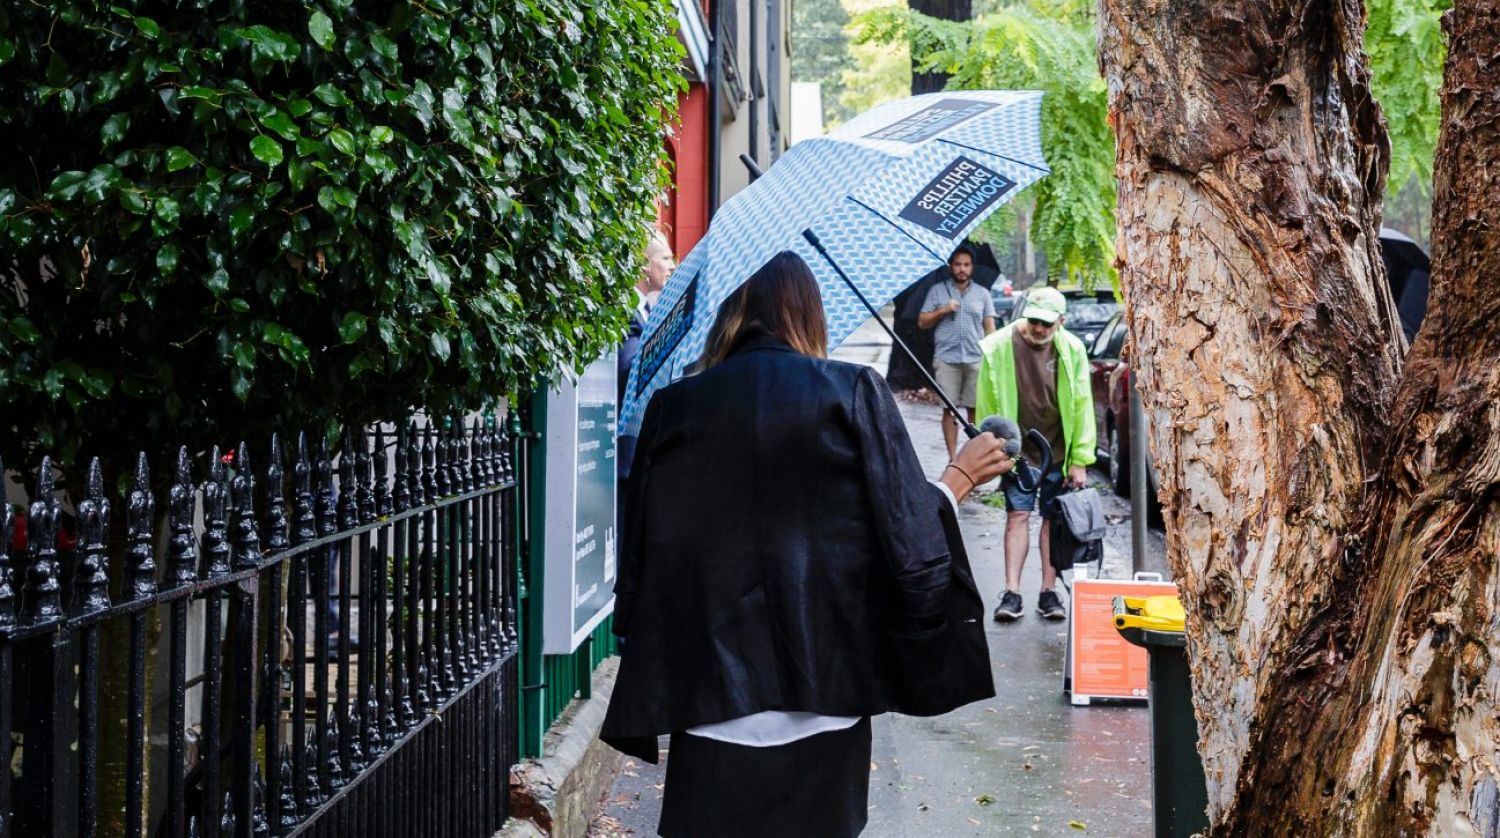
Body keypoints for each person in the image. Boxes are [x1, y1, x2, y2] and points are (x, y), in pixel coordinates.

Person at [601, 252, 1013, 838]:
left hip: (709, 704)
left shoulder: (675, 407)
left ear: (731, 315)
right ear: (811, 314)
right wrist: (959, 480)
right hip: (828, 699)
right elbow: (907, 541)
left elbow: (643, 557)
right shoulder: (851, 393)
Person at [976, 286, 1096, 622]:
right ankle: (1011, 592)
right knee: (1017, 516)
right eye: (1034, 321)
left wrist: (1080, 459)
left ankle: (1048, 591)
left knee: (1052, 521)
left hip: (1058, 448)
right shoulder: (998, 347)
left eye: (1047, 323)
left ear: (1061, 321)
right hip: (1018, 452)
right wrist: (990, 449)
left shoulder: (1071, 349)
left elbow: (1083, 405)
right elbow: (986, 405)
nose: (1039, 329)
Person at [917, 244, 996, 461]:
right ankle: (953, 459)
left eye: (966, 265)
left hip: (975, 358)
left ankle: (972, 458)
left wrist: (992, 356)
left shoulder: (983, 293)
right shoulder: (937, 291)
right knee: (949, 410)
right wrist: (943, 310)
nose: (962, 269)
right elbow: (922, 322)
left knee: (974, 410)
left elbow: (989, 327)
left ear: (972, 267)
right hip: (946, 359)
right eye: (958, 264)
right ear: (950, 266)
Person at [618, 230, 675, 478]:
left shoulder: (646, 310)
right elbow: (629, 368)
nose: (671, 266)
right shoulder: (629, 313)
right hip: (628, 451)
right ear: (643, 264)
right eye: (665, 258)